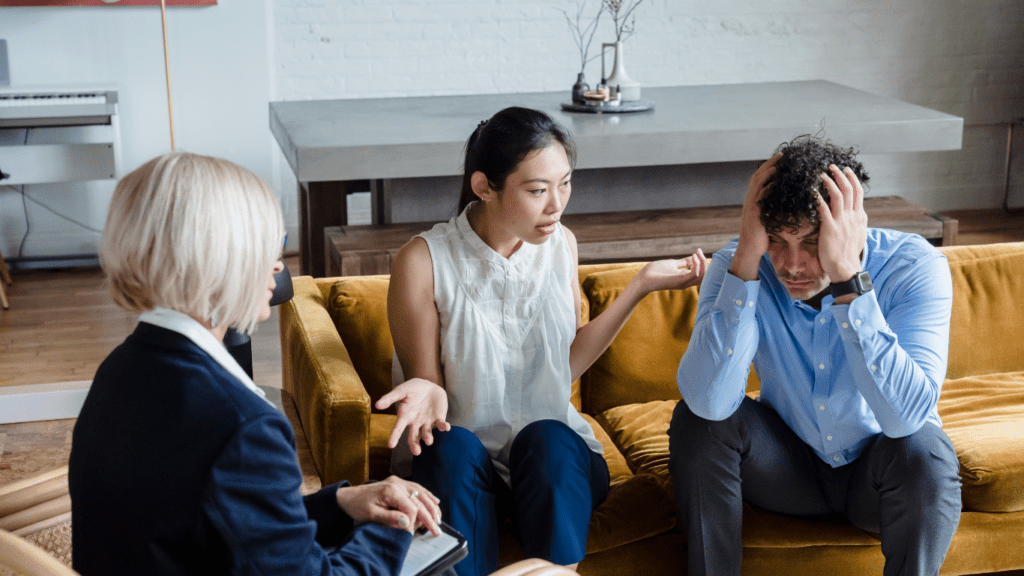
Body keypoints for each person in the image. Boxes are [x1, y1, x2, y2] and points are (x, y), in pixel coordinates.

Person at [69, 152, 442, 576]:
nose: (279, 265)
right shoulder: (245, 425)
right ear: (218, 260)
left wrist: (340, 504)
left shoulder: (120, 368)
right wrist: (395, 527)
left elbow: (224, 516)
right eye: (270, 246)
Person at [377, 107, 708, 576]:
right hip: (465, 465)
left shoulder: (561, 244)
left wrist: (640, 285)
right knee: (450, 447)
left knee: (550, 438)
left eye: (565, 184)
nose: (557, 205)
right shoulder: (423, 260)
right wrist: (425, 388)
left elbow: (564, 365)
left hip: (553, 465)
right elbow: (428, 389)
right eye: (537, 191)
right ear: (483, 187)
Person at [669, 136, 962, 576]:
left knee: (925, 450)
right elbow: (708, 401)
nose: (792, 265)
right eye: (777, 240)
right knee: (698, 423)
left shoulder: (914, 266)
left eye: (811, 242)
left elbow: (906, 418)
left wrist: (848, 279)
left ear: (853, 227)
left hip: (878, 479)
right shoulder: (740, 263)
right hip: (788, 470)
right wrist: (749, 254)